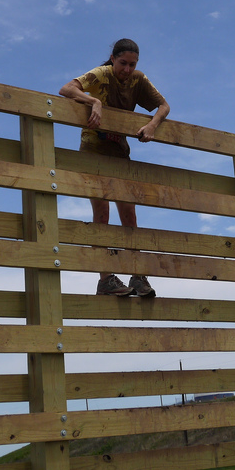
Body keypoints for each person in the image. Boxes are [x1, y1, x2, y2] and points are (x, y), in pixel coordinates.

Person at [59, 38, 170, 297]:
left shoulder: (138, 80)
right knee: (102, 213)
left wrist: (152, 125)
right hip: (94, 151)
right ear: (113, 59)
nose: (127, 69)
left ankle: (138, 275)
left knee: (129, 215)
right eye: (123, 63)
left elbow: (164, 106)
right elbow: (66, 89)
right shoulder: (102, 74)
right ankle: (105, 278)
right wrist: (93, 102)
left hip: (120, 153)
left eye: (132, 64)